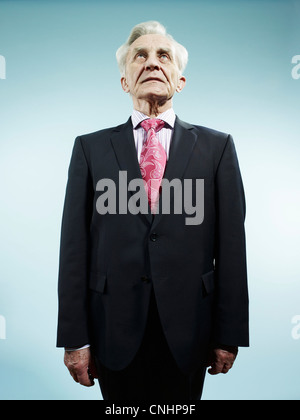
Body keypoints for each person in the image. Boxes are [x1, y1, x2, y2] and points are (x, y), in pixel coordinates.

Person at [57, 21, 249, 400]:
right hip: (111, 327)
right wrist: (73, 338)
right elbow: (74, 250)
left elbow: (231, 248)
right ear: (125, 81)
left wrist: (229, 333)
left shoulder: (218, 148)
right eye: (139, 56)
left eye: (163, 55)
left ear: (180, 81)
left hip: (191, 329)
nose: (151, 62)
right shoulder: (89, 149)